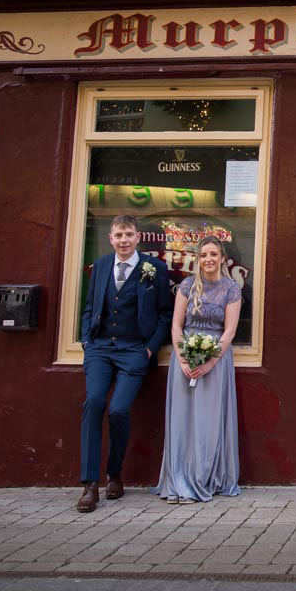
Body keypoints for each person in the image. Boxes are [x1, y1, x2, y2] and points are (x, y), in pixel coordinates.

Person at [77, 214, 172, 513]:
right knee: (93, 402)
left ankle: (114, 474)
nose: (124, 240)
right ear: (111, 238)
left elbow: (164, 314)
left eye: (129, 234)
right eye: (118, 235)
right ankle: (90, 484)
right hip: (100, 348)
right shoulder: (102, 266)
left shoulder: (154, 268)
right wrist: (86, 341)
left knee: (118, 410)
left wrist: (149, 349)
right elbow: (90, 306)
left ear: (137, 237)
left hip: (134, 350)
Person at [155, 235, 243, 504]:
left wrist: (210, 361)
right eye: (204, 255)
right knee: (182, 422)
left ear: (222, 258)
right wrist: (183, 359)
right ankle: (179, 480)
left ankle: (202, 479)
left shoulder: (231, 289)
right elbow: (176, 326)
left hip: (216, 361)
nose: (208, 259)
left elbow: (229, 331)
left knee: (207, 422)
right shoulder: (187, 286)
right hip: (184, 359)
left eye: (213, 254)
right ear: (198, 259)